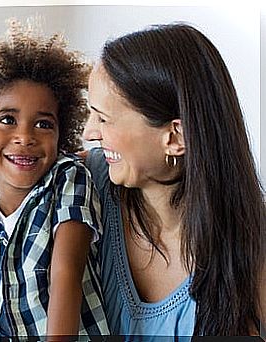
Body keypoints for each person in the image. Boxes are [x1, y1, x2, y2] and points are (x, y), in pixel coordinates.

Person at [83, 23, 265, 336]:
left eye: (103, 119)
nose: (89, 133)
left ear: (174, 137)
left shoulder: (254, 241)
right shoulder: (86, 185)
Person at [0, 19, 109, 339]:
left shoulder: (70, 180)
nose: (25, 136)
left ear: (62, 135)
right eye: (7, 120)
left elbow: (65, 274)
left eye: (43, 124)